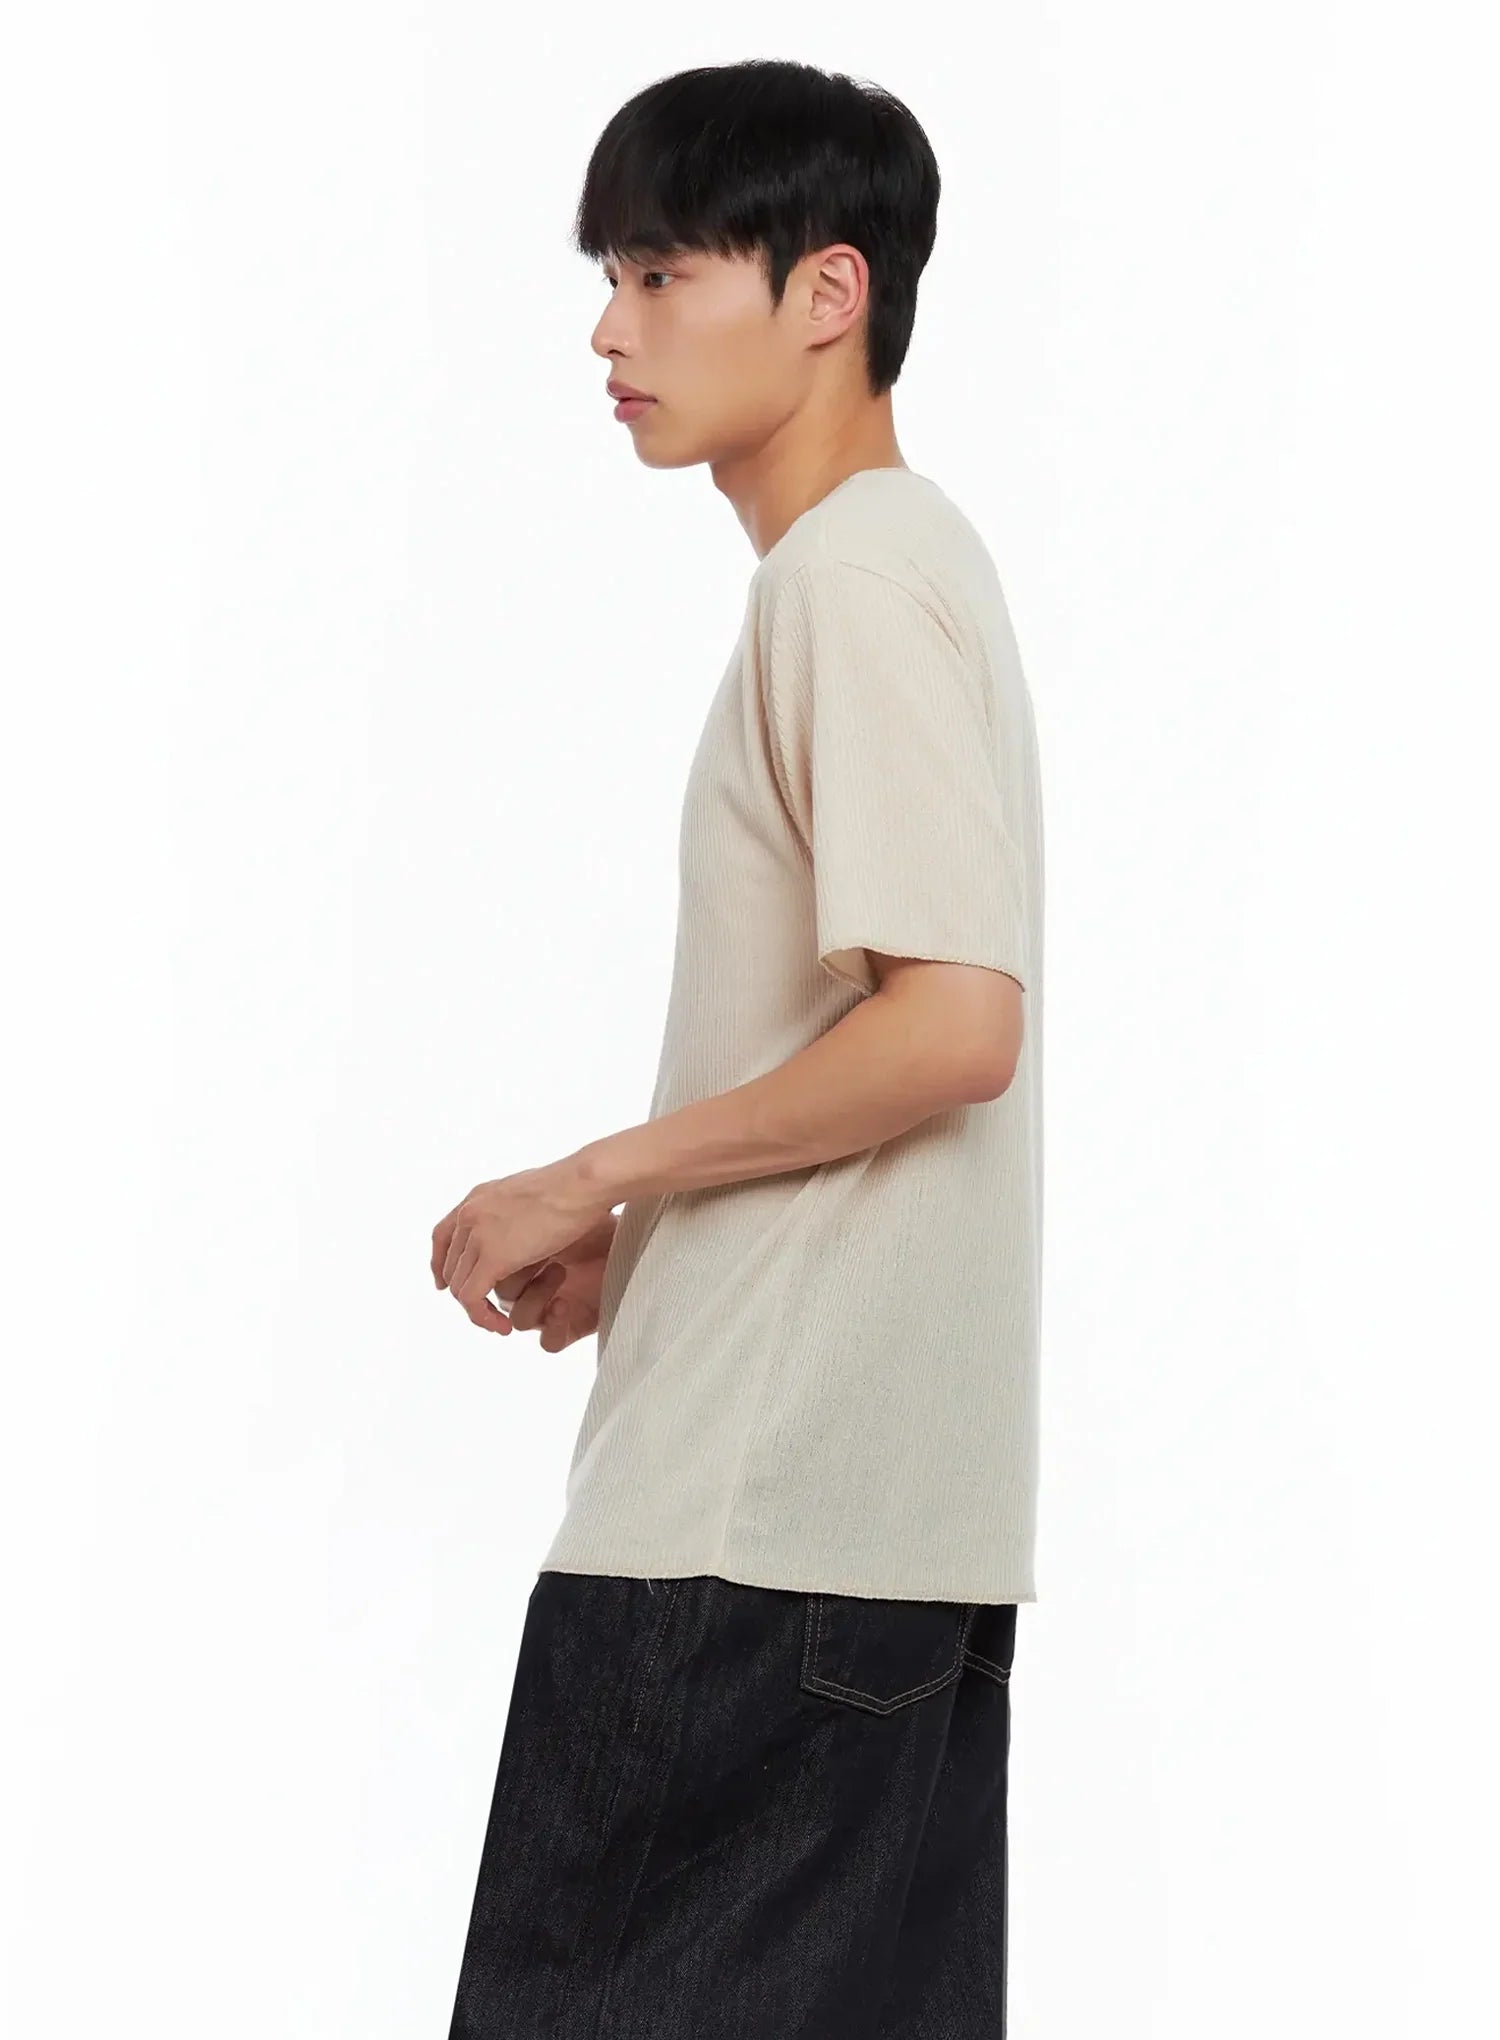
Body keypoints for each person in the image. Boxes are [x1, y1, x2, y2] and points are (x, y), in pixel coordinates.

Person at [434, 55, 1044, 2040]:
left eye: (661, 273)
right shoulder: (910, 566)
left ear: (828, 291)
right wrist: (659, 1253)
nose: (609, 333)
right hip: (878, 1551)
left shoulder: (851, 582)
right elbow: (891, 1048)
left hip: (745, 1550)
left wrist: (591, 1175)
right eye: (608, 279)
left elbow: (951, 1027)